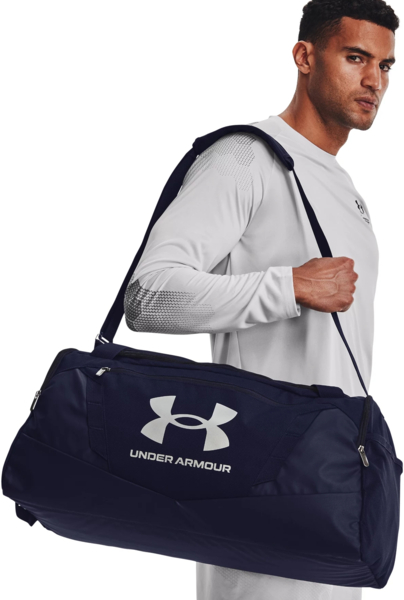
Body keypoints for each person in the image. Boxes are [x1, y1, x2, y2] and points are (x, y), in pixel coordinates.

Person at [123, 0, 399, 598]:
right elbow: (147, 295)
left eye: (385, 65)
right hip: (253, 482)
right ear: (305, 56)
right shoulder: (245, 158)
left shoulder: (344, 188)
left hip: (329, 491)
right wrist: (290, 285)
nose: (374, 81)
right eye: (356, 58)